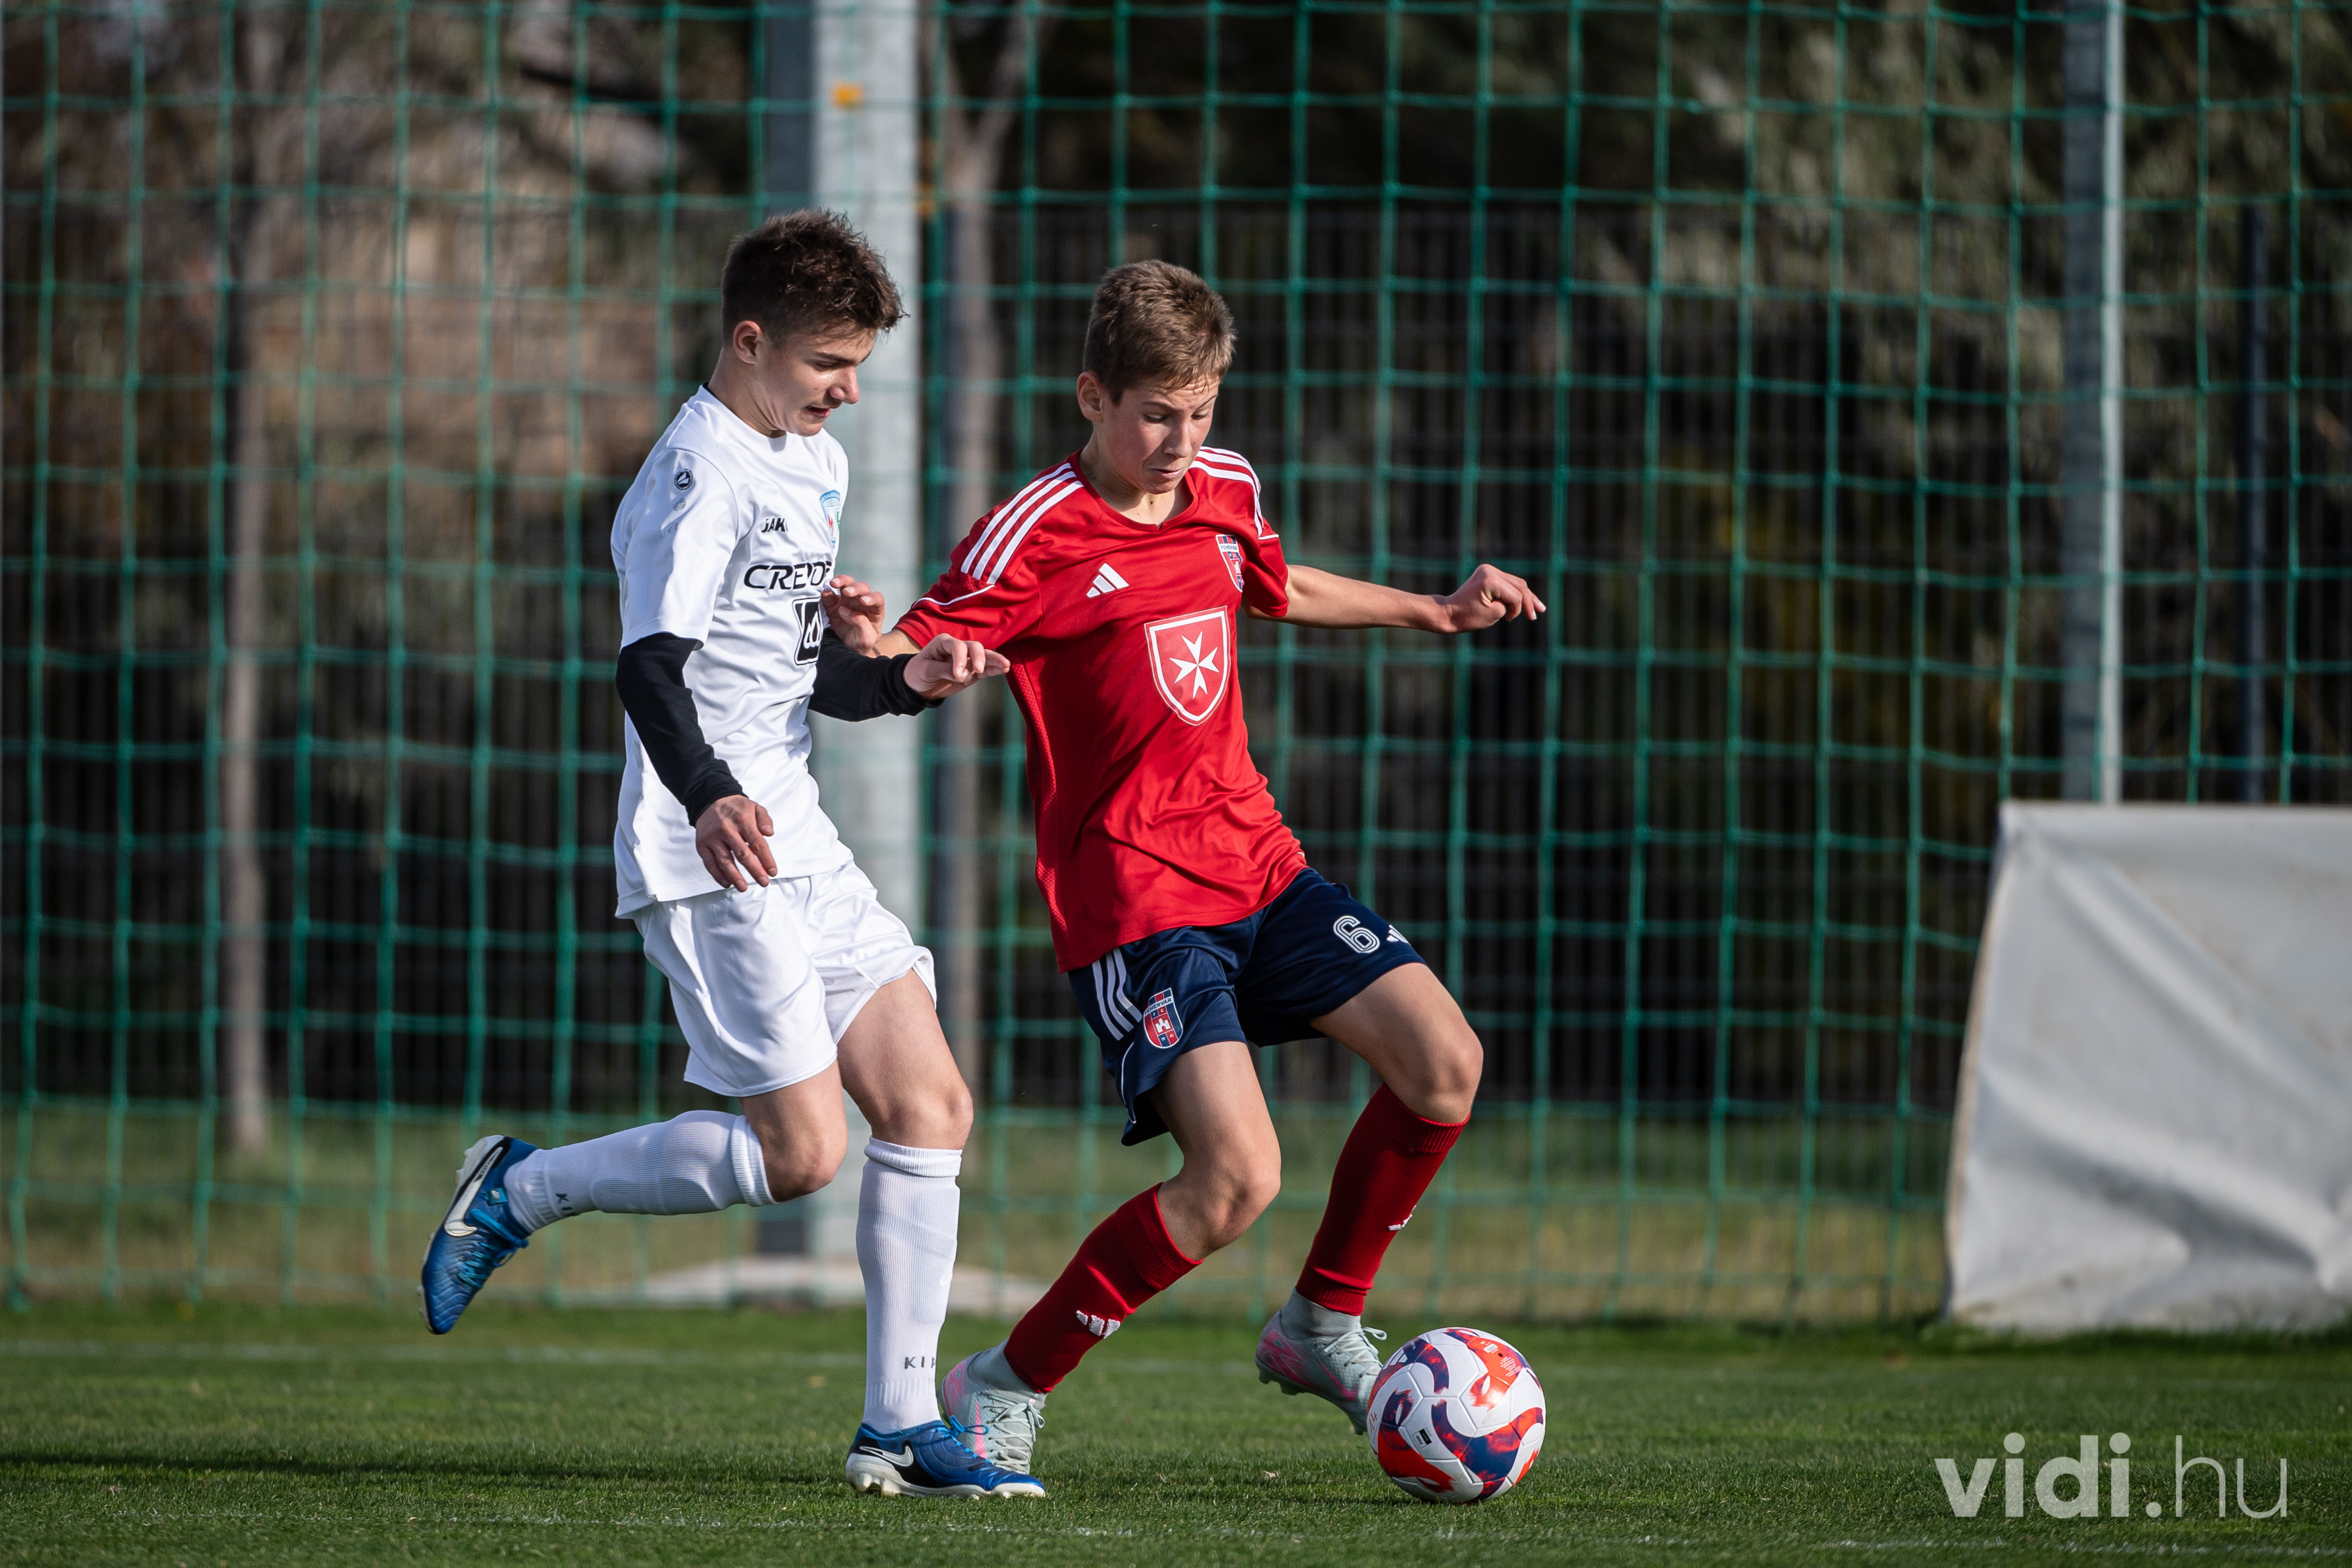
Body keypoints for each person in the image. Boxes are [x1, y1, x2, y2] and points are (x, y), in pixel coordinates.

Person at [874, 259, 1543, 1478]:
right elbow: (913, 641)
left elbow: (1275, 585)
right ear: (1093, 396)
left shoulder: (1223, 487)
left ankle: (1320, 1322)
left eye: (1202, 410)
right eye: (1155, 415)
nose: (1181, 441)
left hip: (1259, 863)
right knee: (1236, 1179)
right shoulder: (1034, 530)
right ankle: (998, 1388)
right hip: (1136, 903)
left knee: (1446, 1064)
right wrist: (877, 644)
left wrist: (1435, 612)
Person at [417, 210, 1039, 1501]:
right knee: (801, 1157)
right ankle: (523, 1189)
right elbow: (650, 668)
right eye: (828, 364)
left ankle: (898, 1425)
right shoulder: (695, 475)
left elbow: (799, 681)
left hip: (791, 826)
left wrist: (903, 677)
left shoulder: (813, 459)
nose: (848, 389)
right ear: (750, 342)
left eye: (858, 365)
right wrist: (706, 794)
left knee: (931, 1105)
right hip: (705, 845)